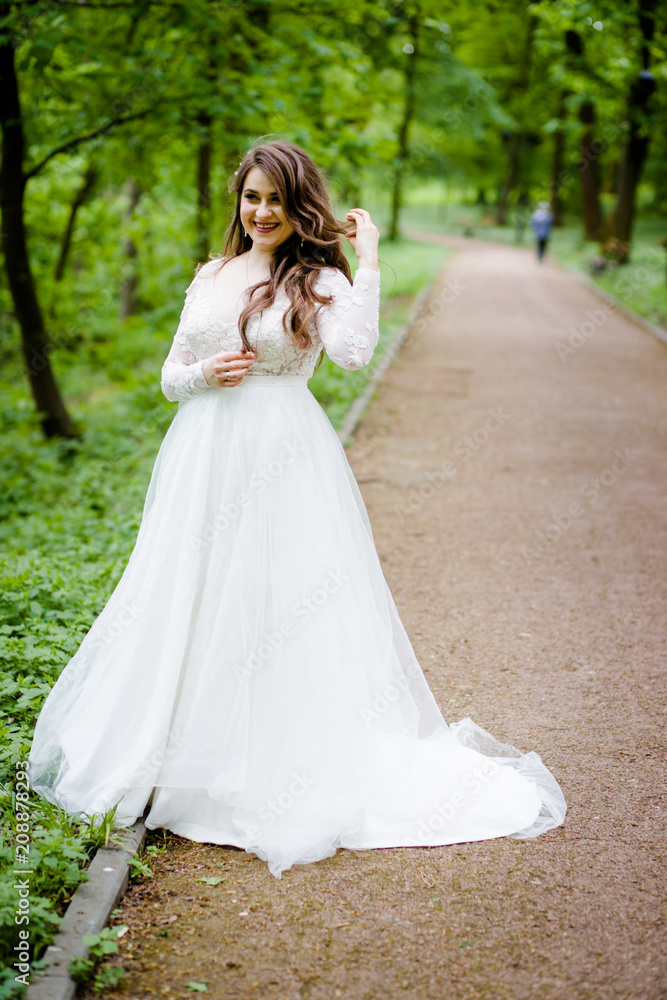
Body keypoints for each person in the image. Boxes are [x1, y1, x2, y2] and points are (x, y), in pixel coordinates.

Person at [28, 140, 566, 879]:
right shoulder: (212, 273)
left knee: (276, 604)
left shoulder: (316, 279)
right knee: (191, 591)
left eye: (276, 200)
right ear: (238, 201)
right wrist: (202, 377)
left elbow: (350, 355)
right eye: (251, 198)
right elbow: (168, 374)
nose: (261, 212)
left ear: (297, 205)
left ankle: (274, 760)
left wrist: (367, 258)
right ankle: (178, 746)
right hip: (202, 452)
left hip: (281, 451)